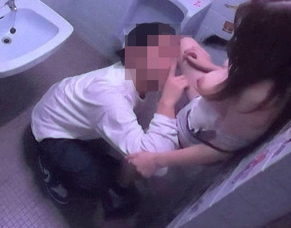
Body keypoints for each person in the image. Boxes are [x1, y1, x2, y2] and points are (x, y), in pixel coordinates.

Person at [126, 0, 291, 178]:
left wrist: (156, 160)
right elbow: (236, 81)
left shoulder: (258, 98)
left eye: (248, 35)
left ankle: (124, 185)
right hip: (205, 106)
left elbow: (218, 151)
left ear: (272, 48)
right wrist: (209, 67)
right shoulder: (281, 67)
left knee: (132, 158)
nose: (237, 38)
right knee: (185, 44)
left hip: (191, 133)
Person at [31, 23, 187, 212]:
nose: (172, 67)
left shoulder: (143, 77)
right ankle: (48, 161)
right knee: (97, 182)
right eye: (164, 58)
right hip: (50, 128)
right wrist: (167, 103)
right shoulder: (111, 96)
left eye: (172, 57)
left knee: (110, 159)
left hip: (66, 110)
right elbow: (152, 159)